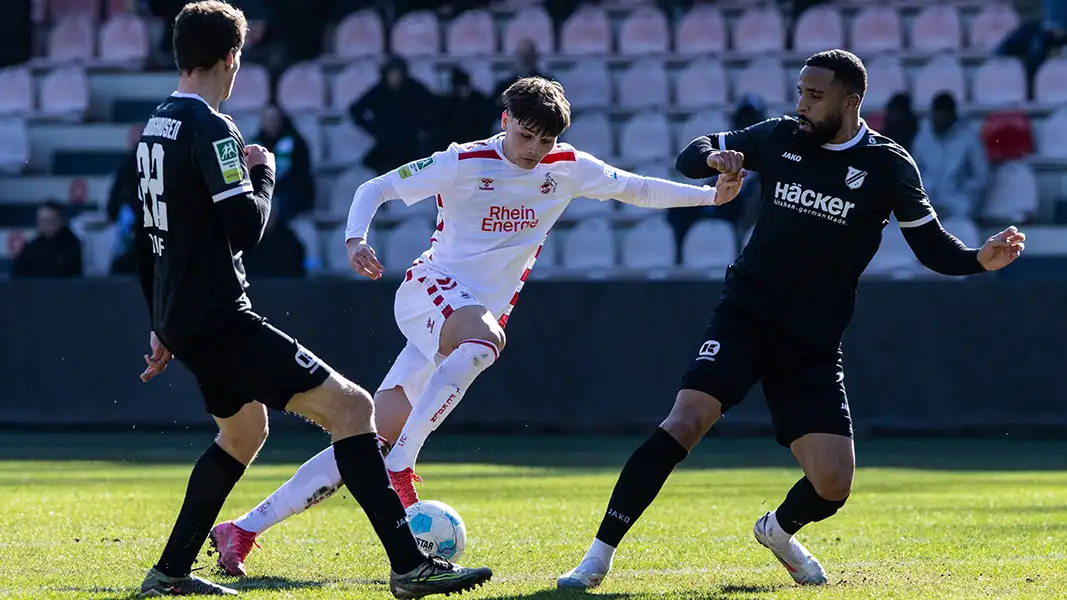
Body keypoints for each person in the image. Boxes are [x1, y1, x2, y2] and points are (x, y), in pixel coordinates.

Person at [207, 76, 746, 577]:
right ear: (506, 117)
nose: (534, 149)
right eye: (527, 134)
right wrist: (355, 239)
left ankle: (241, 530)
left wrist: (707, 197)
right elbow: (375, 188)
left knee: (371, 430)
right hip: (428, 292)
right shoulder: (464, 161)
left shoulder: (567, 166)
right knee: (485, 341)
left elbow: (636, 189)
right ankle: (402, 468)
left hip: (461, 322)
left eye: (545, 139)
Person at [556, 49, 1026, 590]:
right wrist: (714, 160)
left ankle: (776, 531)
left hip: (812, 341)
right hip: (746, 314)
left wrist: (976, 260)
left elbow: (930, 247)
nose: (801, 104)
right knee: (684, 422)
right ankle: (596, 559)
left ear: (851, 103)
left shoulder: (888, 166)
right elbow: (693, 153)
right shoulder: (780, 136)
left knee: (832, 483)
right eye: (800, 92)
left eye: (815, 95)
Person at [133, 2, 491, 597]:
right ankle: (409, 565)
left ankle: (169, 573)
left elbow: (152, 238)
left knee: (245, 434)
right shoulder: (214, 130)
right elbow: (246, 227)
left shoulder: (156, 128)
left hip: (185, 316)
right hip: (222, 318)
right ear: (232, 58)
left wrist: (160, 324)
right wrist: (265, 172)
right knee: (354, 409)